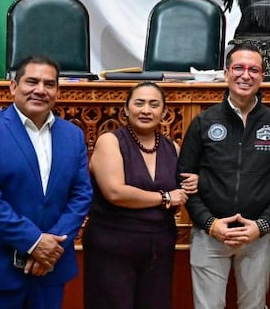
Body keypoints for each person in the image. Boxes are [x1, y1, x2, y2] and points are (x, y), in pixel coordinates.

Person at [0, 55, 93, 309]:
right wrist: (34, 242)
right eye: (32, 82)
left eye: (49, 84)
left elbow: (81, 194)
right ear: (13, 87)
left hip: (49, 268)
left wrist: (51, 247)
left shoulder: (73, 135)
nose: (40, 90)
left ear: (58, 91)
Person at [178, 42, 270, 309]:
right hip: (210, 234)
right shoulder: (203, 122)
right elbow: (184, 179)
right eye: (239, 68)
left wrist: (262, 225)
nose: (246, 75)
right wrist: (210, 224)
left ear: (262, 76)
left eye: (253, 69)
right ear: (226, 73)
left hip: (258, 236)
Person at [83, 82, 199, 309]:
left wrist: (192, 183)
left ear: (164, 112)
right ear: (126, 109)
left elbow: (180, 194)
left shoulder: (172, 148)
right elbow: (115, 192)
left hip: (159, 246)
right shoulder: (110, 141)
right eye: (139, 103)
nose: (146, 110)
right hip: (112, 243)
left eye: (154, 105)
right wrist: (165, 198)